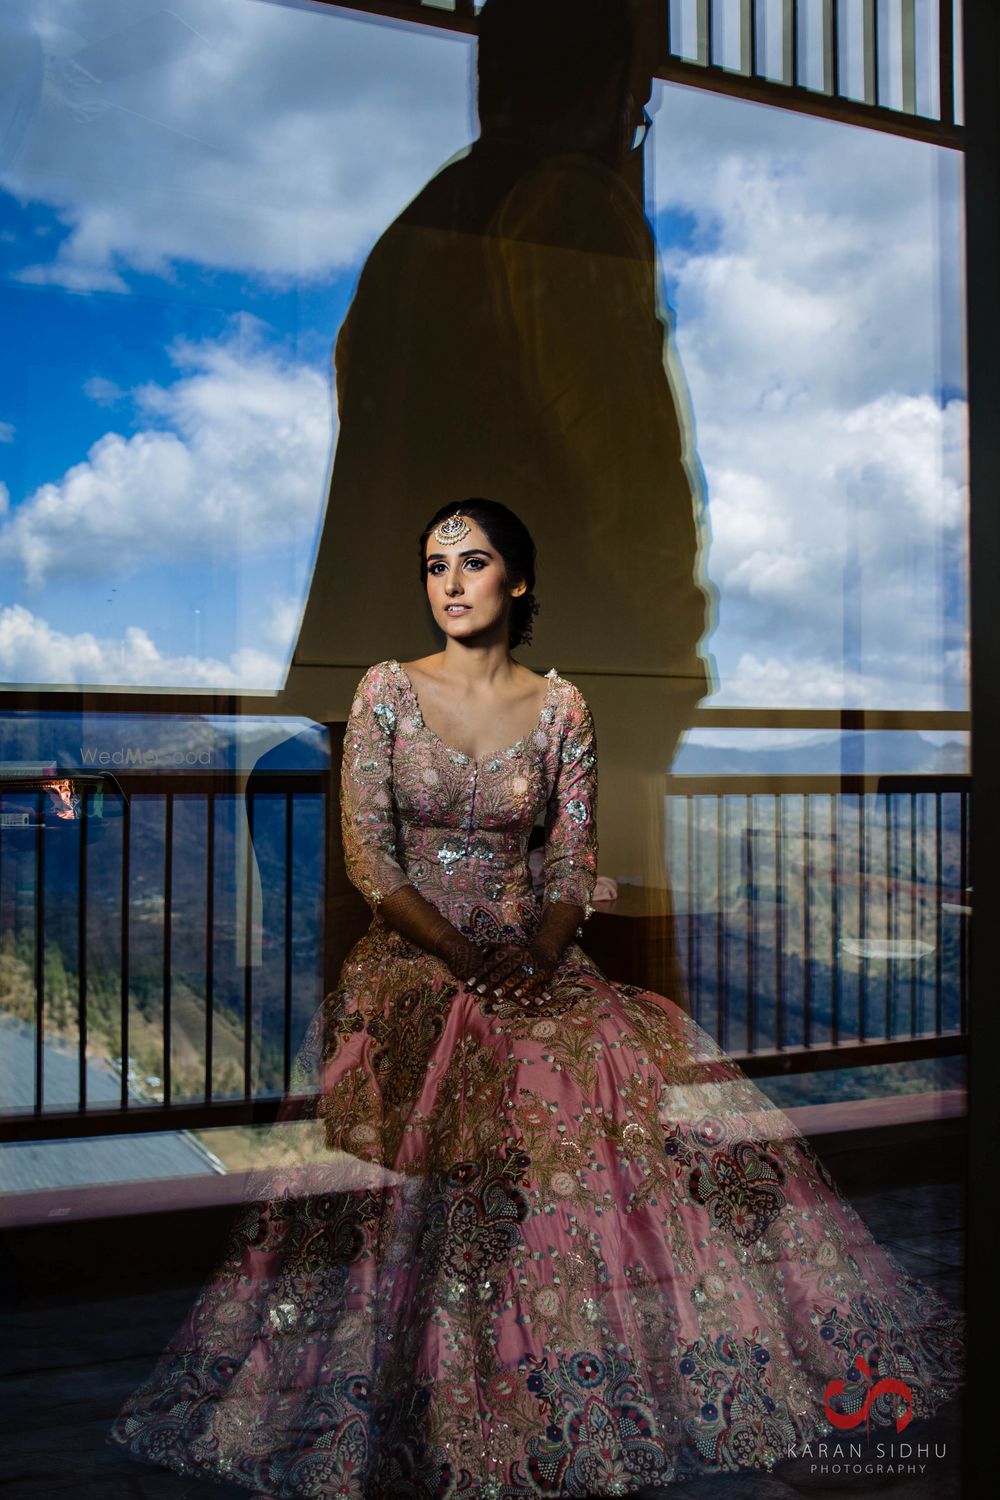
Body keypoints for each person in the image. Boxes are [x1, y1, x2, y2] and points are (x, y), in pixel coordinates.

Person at [111, 501, 963, 1497]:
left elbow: (570, 863)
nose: (451, 582)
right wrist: (469, 959)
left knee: (619, 1055)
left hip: (533, 958)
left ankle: (608, 1348)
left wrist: (541, 951)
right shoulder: (386, 691)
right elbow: (369, 861)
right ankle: (471, 1373)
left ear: (517, 580)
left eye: (473, 562)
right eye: (435, 565)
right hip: (414, 962)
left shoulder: (563, 708)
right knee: (501, 1057)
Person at [282, 0, 716, 909]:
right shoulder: (565, 206)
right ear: (605, 94)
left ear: (491, 82)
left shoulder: (408, 240)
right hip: (536, 724)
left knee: (409, 1029)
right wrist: (669, 666)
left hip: (380, 707)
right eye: (636, 118)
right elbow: (629, 478)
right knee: (580, 1036)